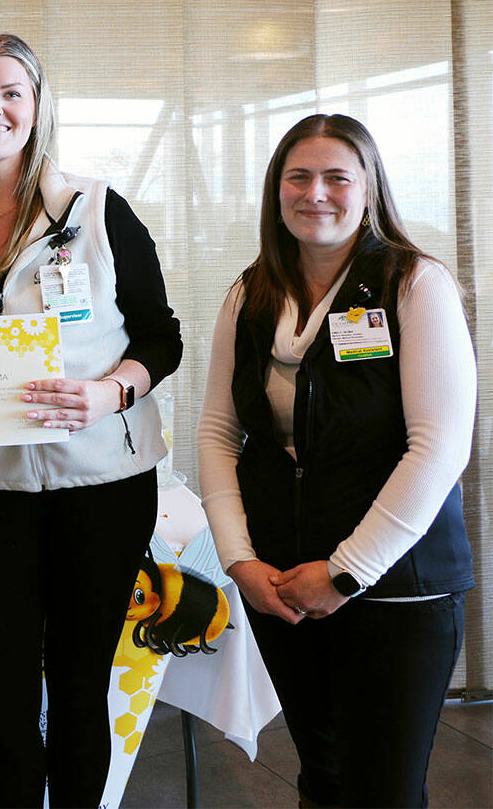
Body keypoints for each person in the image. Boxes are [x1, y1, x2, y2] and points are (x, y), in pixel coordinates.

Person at [0, 34, 181, 807]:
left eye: (12, 92)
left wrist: (111, 391)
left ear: (38, 106)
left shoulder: (97, 208)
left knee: (82, 686)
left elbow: (161, 336)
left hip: (104, 483)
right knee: (3, 694)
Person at [197, 113, 475, 807]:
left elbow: (438, 446)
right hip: (283, 583)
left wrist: (346, 571)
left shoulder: (414, 284)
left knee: (382, 788)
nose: (315, 192)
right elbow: (216, 431)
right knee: (321, 778)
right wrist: (240, 560)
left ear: (369, 188)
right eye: (298, 176)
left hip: (395, 586)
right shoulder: (251, 293)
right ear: (276, 190)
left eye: (335, 177)